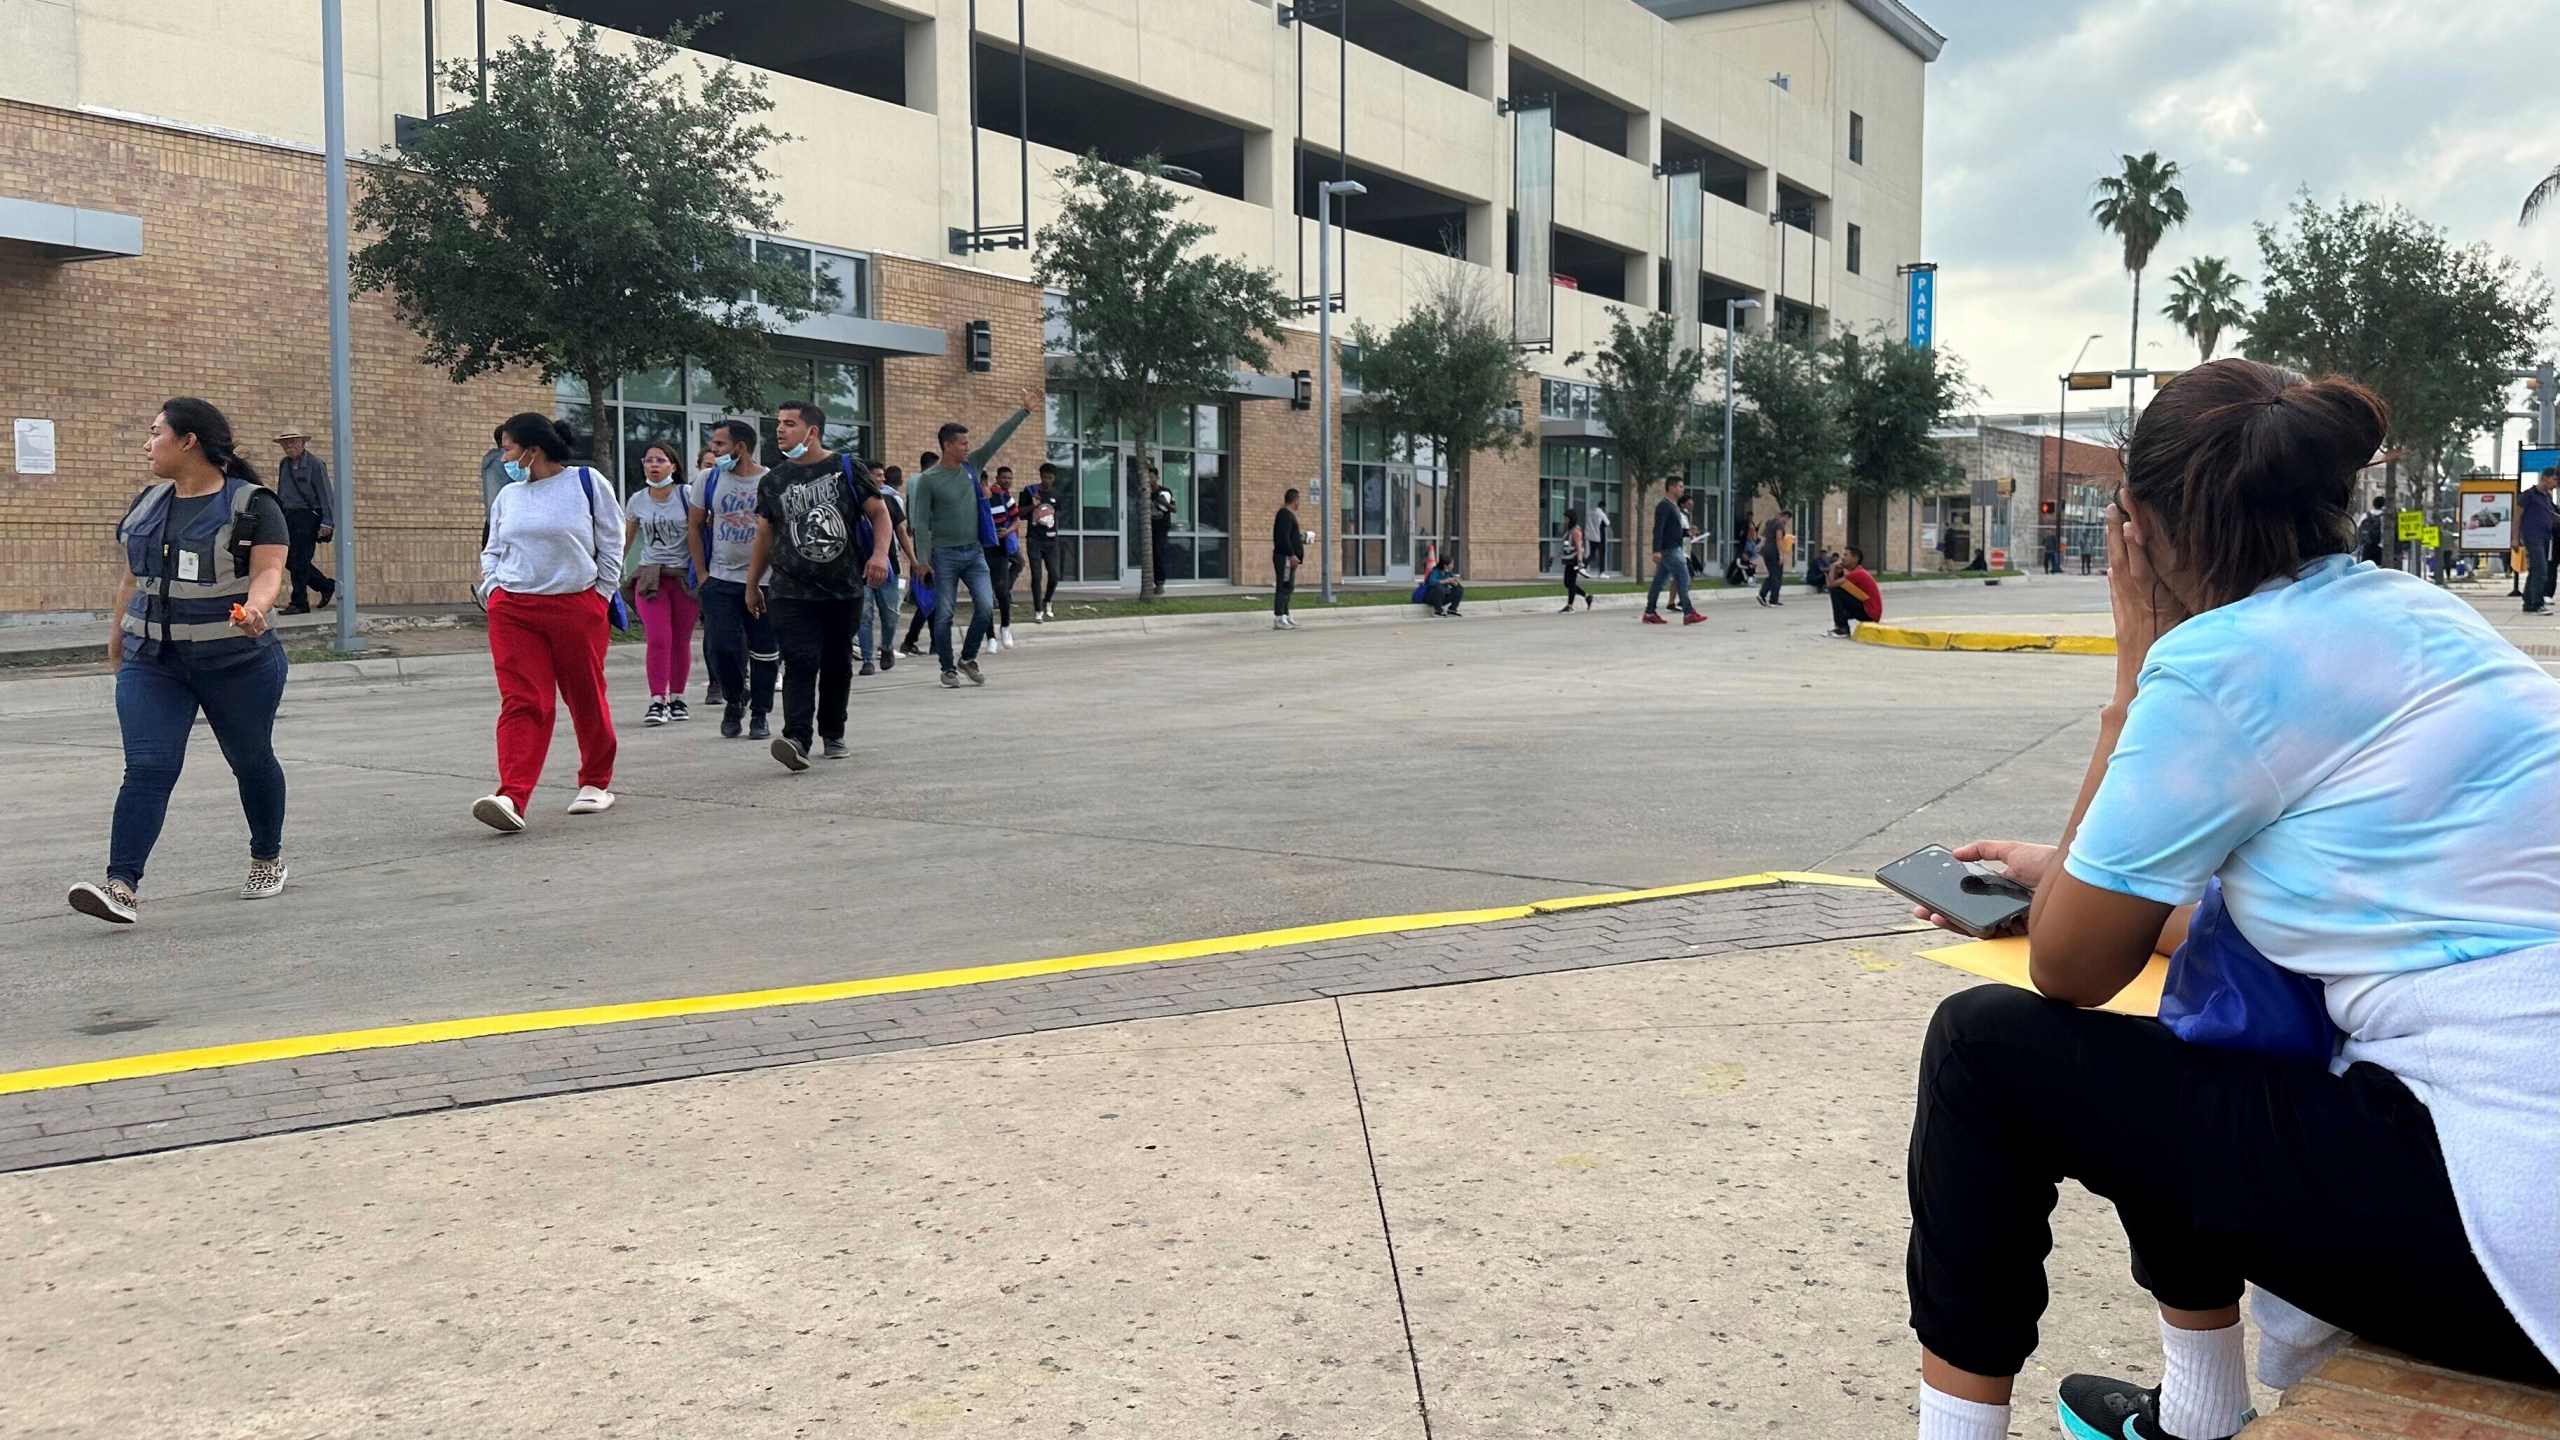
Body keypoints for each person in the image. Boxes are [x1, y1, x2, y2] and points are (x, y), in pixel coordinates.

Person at [1897, 358, 2557, 1440]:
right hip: (2515, 1160)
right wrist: (2054, 872)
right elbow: (2298, 921)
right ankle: (2196, 1417)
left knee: (1986, 1052)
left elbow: (2069, 968)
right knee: (2198, 1026)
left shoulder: (2216, 665)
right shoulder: (2423, 622)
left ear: (2139, 527)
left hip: (2509, 1231)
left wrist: (2133, 671)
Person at [68, 399, 293, 923]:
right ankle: (120, 885)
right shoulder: (147, 503)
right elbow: (132, 579)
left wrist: (255, 611)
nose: (147, 444)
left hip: (237, 660)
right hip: (154, 662)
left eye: (155, 433)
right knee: (147, 767)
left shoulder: (254, 504)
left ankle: (267, 856)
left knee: (251, 760)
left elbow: (268, 572)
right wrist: (117, 641)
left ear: (188, 440)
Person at [472, 413, 622, 832]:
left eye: (506, 448)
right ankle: (511, 796)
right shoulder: (509, 496)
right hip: (514, 611)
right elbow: (494, 547)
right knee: (523, 701)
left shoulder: (587, 483)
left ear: (531, 450)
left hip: (576, 607)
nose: (503, 457)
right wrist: (494, 589)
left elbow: (612, 540)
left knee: (585, 695)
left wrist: (601, 595)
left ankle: (596, 781)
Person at [744, 399, 892, 770]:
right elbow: (764, 535)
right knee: (800, 660)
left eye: (789, 423)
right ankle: (796, 738)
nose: (780, 429)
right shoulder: (774, 479)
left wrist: (879, 556)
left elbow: (880, 513)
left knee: (837, 661)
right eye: (779, 422)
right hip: (791, 589)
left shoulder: (845, 468)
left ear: (812, 431)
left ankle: (833, 731)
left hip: (844, 587)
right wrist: (752, 585)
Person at [907, 392, 1037, 689]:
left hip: (974, 552)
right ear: (948, 445)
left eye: (968, 443)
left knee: (984, 606)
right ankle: (947, 668)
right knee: (945, 615)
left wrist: (1024, 412)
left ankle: (967, 658)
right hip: (944, 555)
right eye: (963, 443)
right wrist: (922, 561)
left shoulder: (972, 465)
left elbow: (996, 439)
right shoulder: (929, 480)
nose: (968, 447)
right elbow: (922, 521)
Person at [689, 419, 777, 740]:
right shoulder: (708, 479)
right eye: (713, 444)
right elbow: (694, 526)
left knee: (765, 651)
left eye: (720, 445)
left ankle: (760, 714)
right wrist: (703, 575)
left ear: (740, 448)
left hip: (765, 581)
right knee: (722, 647)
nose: (714, 450)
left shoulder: (771, 481)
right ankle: (735, 699)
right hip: (721, 581)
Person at [623, 441, 698, 726]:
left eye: (660, 460)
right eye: (648, 460)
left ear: (673, 466)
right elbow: (626, 541)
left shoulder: (686, 494)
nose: (653, 465)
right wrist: (609, 573)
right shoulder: (637, 500)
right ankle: (658, 701)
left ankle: (677, 698)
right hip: (650, 577)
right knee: (658, 638)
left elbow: (701, 529)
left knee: (680, 640)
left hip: (683, 577)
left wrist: (703, 572)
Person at [269, 428, 337, 614]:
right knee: (290, 559)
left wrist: (328, 522)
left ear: (302, 443)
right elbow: (282, 492)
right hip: (288, 516)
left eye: (293, 442)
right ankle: (325, 585)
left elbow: (326, 494)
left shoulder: (315, 464)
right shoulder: (284, 465)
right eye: (286, 443)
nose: (289, 446)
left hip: (308, 516)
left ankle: (299, 603)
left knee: (300, 559)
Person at [858, 463, 917, 674]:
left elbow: (901, 532)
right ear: (867, 478)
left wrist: (913, 561)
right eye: (878, 476)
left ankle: (887, 647)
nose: (882, 480)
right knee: (864, 615)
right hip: (860, 569)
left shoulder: (890, 502)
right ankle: (867, 659)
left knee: (890, 614)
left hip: (888, 566)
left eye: (883, 476)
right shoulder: (855, 502)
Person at [1643, 476, 1705, 625]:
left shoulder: (1674, 506)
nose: (1682, 490)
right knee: (1684, 579)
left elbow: (1672, 530)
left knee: (1658, 582)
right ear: (1671, 488)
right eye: (1680, 487)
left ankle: (1649, 612)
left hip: (1671, 548)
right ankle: (1689, 613)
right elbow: (1658, 529)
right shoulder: (1664, 506)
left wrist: (1687, 532)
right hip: (1670, 550)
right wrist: (1656, 550)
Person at [985, 464, 1021, 649]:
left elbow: (1016, 520)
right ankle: (990, 637)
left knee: (1002, 590)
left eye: (1009, 478)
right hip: (982, 551)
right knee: (985, 595)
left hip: (1000, 550)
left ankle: (1005, 627)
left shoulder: (1005, 497)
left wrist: (1007, 532)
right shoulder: (977, 500)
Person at [1026, 462, 1064, 621]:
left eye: (1050, 478)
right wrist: (1032, 506)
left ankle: (1047, 600)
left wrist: (1055, 534)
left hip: (1051, 541)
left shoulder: (1057, 494)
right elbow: (1020, 514)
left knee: (1055, 575)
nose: (1047, 480)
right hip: (1034, 539)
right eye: (1044, 477)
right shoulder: (1030, 491)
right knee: (1036, 575)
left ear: (1054, 478)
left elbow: (1057, 515)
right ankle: (1038, 610)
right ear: (1040, 476)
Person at [2519, 467, 2555, 615]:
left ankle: (2528, 602)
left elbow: (2550, 515)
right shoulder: (2528, 495)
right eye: (2554, 480)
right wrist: (2515, 538)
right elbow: (2517, 516)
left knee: (2535, 569)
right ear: (2545, 478)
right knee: (2540, 569)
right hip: (2532, 536)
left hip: (2546, 536)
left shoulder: (2546, 497)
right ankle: (2537, 603)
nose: (2556, 484)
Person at [1824, 545, 1882, 637]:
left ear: (1854, 559)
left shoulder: (1857, 573)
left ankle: (1842, 629)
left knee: (1836, 590)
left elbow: (1831, 585)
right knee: (1839, 593)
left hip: (1869, 613)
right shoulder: (1855, 572)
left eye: (1846, 555)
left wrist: (1832, 567)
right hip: (1869, 611)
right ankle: (1840, 626)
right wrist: (1837, 573)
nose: (1842, 558)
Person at [1272, 487, 1307, 629]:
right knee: (1284, 586)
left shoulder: (1287, 515)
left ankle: (1285, 614)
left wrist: (1302, 539)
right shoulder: (1285, 515)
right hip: (1285, 557)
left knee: (1289, 586)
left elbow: (1290, 536)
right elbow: (1283, 538)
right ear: (1295, 500)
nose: (1299, 504)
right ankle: (1279, 617)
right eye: (1299, 501)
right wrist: (1291, 554)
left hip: (1289, 557)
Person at [1557, 507, 1591, 612]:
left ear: (1571, 518)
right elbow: (1565, 545)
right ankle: (1587, 597)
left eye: (1566, 518)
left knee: (1570, 583)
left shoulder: (1576, 531)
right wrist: (1555, 556)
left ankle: (1570, 606)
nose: (1565, 520)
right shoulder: (1568, 530)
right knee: (1567, 583)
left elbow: (1579, 547)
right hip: (1569, 559)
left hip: (1575, 559)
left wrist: (1580, 562)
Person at [1150, 468, 1177, 589]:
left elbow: (1174, 509)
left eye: (1152, 477)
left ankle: (1160, 582)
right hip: (1149, 527)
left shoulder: (1165, 491)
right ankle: (1151, 581)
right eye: (1147, 477)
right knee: (1150, 554)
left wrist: (1164, 503)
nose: (1150, 480)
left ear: (1157, 478)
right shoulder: (1145, 492)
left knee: (1158, 552)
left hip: (1162, 526)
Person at [1758, 512, 1791, 607]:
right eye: (1787, 519)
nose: (1787, 521)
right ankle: (1769, 598)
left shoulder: (1770, 522)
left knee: (1773, 575)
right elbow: (1779, 539)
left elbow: (1762, 533)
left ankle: (1769, 597)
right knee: (1776, 576)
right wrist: (1781, 555)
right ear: (1785, 516)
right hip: (1774, 552)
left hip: (1766, 551)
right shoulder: (1779, 524)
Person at [1586, 501, 1610, 574]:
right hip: (1599, 536)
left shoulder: (1590, 513)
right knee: (1602, 554)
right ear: (1603, 507)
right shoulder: (1601, 514)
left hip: (1591, 536)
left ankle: (1582, 566)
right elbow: (1607, 523)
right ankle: (1601, 572)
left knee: (1592, 554)